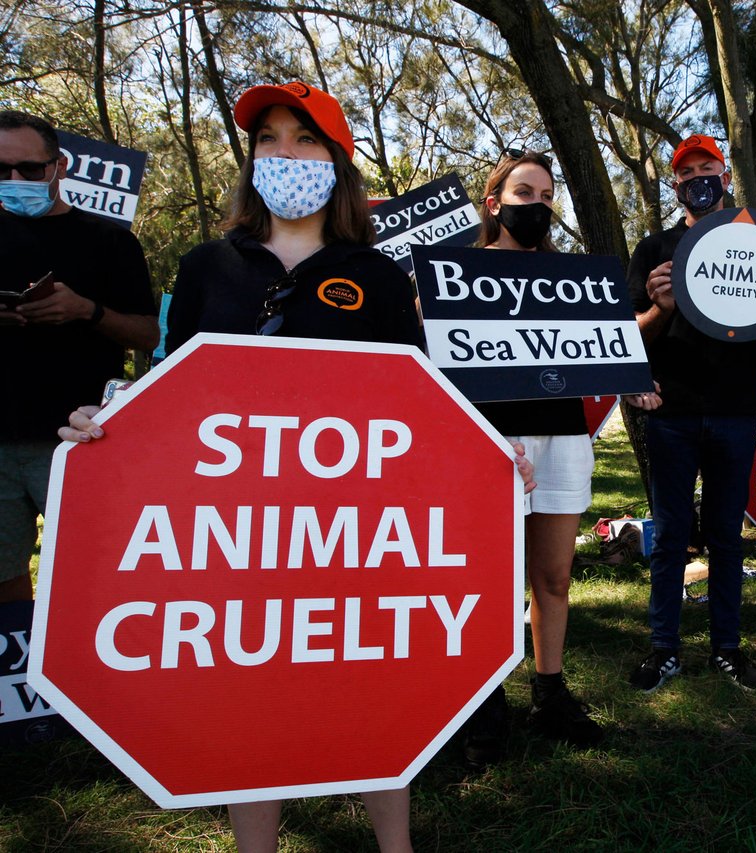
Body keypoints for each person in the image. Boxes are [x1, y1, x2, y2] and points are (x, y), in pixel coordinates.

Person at [62, 82, 529, 853]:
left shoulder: (377, 279)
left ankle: (395, 843)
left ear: (337, 162)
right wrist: (107, 427)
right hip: (240, 536)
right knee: (253, 693)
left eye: (305, 139)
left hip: (354, 535)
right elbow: (169, 392)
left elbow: (417, 410)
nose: (284, 154)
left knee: (372, 680)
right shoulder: (207, 266)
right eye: (268, 138)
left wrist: (483, 453)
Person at [626, 134, 756, 692]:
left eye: (708, 167)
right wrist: (660, 309)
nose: (698, 178)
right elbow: (631, 337)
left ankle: (727, 649)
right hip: (672, 413)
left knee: (727, 538)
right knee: (669, 536)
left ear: (726, 177)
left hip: (735, 414)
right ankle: (664, 649)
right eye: (688, 172)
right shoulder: (653, 248)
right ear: (676, 183)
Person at [460, 149, 604, 765]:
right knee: (488, 580)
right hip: (487, 440)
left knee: (553, 577)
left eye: (546, 196)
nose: (537, 206)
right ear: (495, 204)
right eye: (525, 194)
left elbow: (607, 345)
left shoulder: (572, 276)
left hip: (562, 436)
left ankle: (550, 692)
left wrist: (635, 373)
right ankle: (480, 706)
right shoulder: (457, 271)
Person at [0, 110, 158, 604]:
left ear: (59, 166)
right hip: (0, 442)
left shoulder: (109, 240)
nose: (14, 181)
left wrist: (85, 311)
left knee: (96, 577)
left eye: (29, 169)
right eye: (1, 171)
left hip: (84, 439)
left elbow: (148, 335)